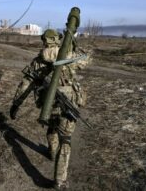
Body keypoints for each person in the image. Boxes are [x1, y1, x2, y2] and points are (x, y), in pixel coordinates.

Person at [10, 29, 88, 189]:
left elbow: (26, 84)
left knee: (52, 126)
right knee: (65, 138)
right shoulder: (69, 57)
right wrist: (74, 44)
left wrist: (16, 104)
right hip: (68, 102)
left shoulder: (38, 61)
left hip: (49, 103)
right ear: (57, 40)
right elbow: (86, 59)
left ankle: (52, 152)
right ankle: (60, 180)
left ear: (44, 41)